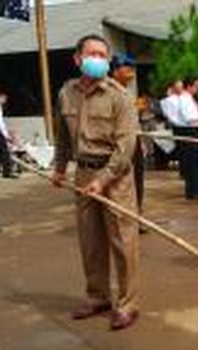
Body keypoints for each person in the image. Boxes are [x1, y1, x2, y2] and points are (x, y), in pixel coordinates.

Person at [50, 34, 140, 331]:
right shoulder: (66, 93)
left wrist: (102, 181)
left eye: (103, 55)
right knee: (90, 241)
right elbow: (63, 136)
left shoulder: (120, 97)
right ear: (77, 59)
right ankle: (97, 296)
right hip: (83, 175)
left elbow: (125, 149)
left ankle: (127, 304)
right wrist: (60, 167)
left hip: (115, 177)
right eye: (92, 54)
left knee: (122, 242)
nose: (98, 59)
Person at [110, 54, 147, 223]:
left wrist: (141, 142)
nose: (132, 72)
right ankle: (121, 217)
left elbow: (134, 120)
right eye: (128, 68)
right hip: (116, 143)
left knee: (137, 181)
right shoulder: (108, 91)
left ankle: (137, 214)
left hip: (134, 141)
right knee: (118, 181)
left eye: (133, 69)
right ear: (116, 70)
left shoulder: (129, 92)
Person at [174, 77, 198, 200]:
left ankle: (197, 190)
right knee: (193, 163)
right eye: (195, 86)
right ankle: (193, 192)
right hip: (188, 131)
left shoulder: (190, 99)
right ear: (189, 86)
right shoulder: (184, 99)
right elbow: (190, 118)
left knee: (197, 162)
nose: (197, 89)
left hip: (195, 130)